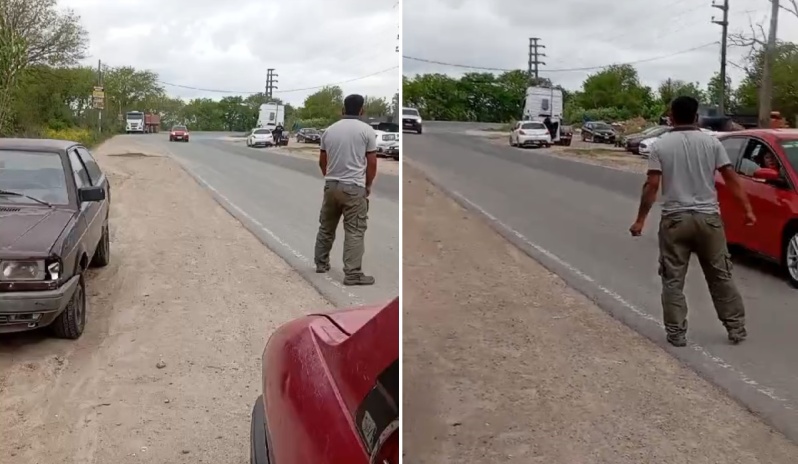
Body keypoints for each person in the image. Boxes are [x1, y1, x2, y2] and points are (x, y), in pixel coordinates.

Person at [629, 95, 754, 347]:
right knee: (720, 275)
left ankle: (676, 332)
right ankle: (736, 327)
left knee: (673, 279)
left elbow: (652, 185)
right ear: (697, 117)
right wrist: (747, 209)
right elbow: (730, 178)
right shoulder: (712, 143)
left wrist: (640, 220)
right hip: (708, 219)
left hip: (675, 220)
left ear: (671, 117)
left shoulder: (661, 146)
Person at [313, 94, 377, 286]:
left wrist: (329, 177)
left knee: (326, 226)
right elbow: (372, 163)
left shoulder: (329, 131)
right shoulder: (367, 131)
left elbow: (322, 161)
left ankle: (321, 263)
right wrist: (368, 185)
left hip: (331, 185)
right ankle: (353, 274)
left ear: (343, 110)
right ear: (362, 111)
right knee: (355, 231)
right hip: (354, 187)